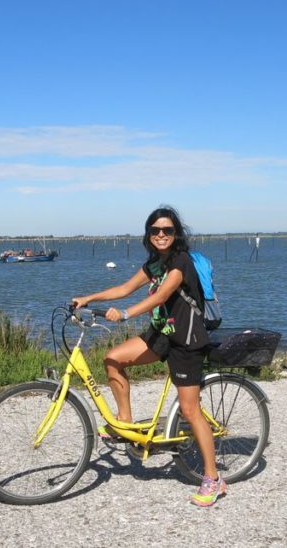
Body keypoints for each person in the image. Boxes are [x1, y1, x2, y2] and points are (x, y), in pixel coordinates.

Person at [72, 205, 225, 507]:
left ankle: (213, 478)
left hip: (186, 340)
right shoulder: (155, 263)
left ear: (176, 233)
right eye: (155, 230)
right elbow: (125, 287)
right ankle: (125, 425)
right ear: (149, 234)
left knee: (190, 410)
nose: (161, 235)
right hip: (162, 335)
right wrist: (88, 298)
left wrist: (126, 314)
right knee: (113, 359)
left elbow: (160, 296)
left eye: (167, 230)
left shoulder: (180, 261)